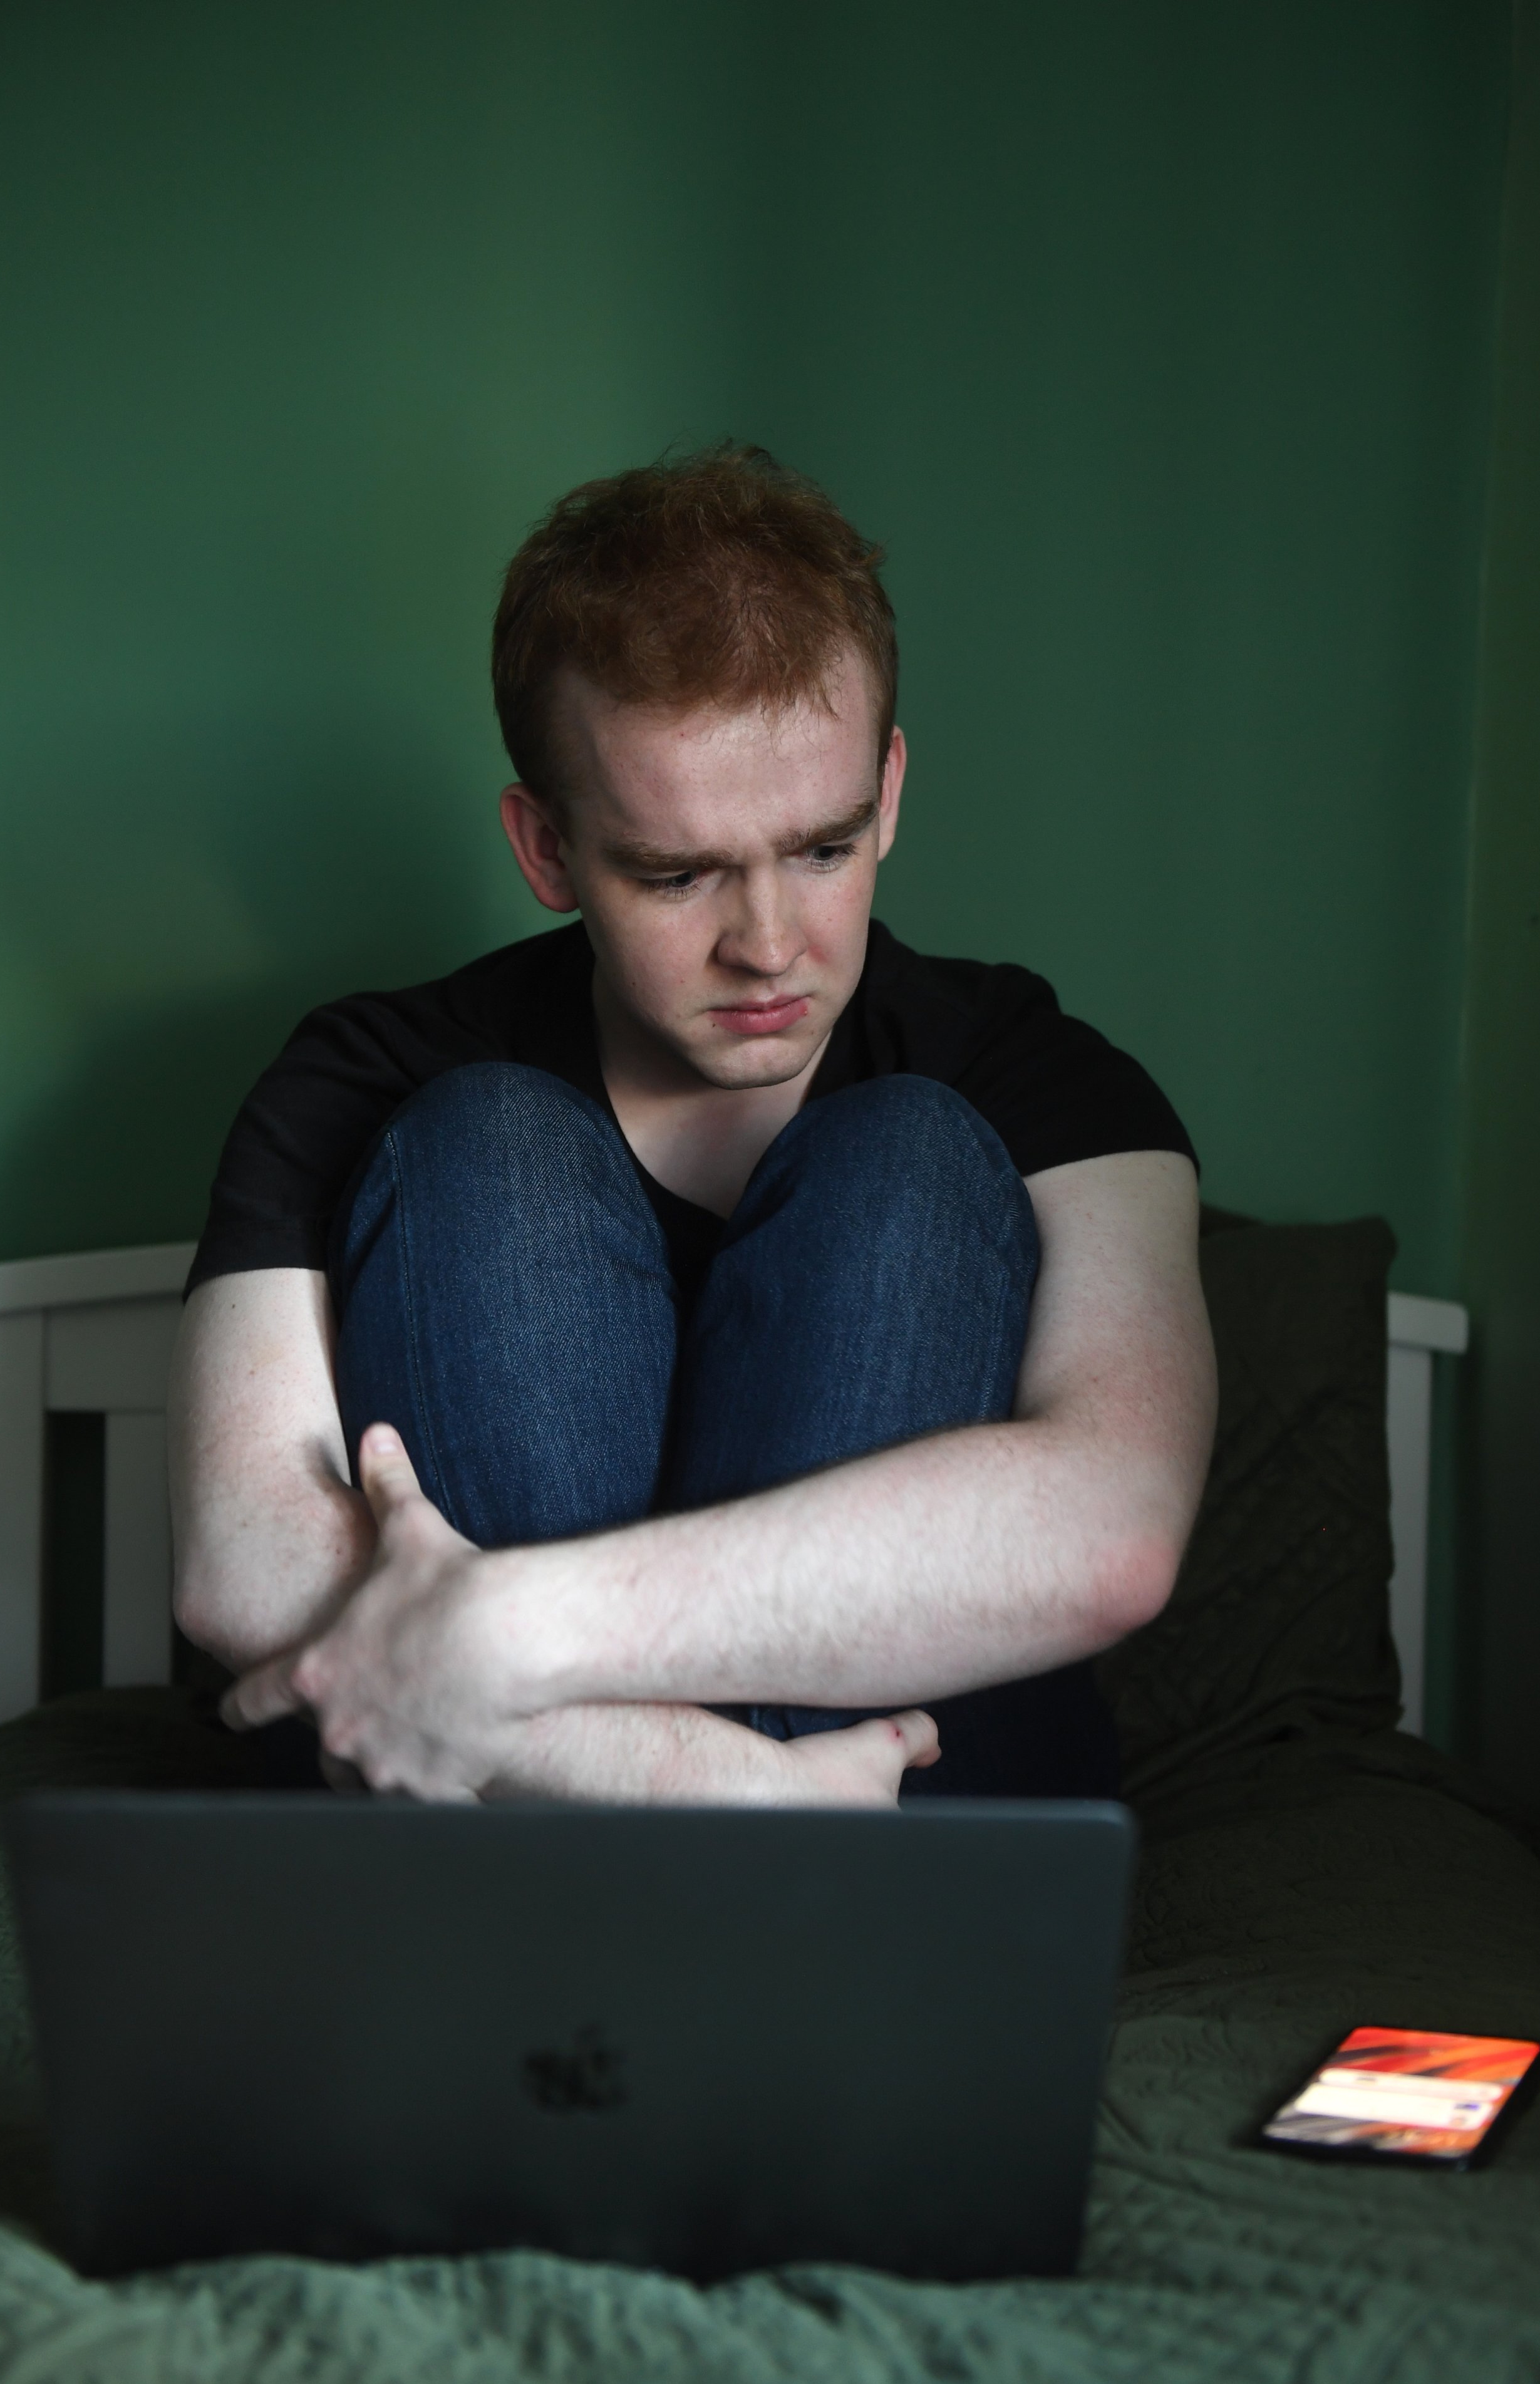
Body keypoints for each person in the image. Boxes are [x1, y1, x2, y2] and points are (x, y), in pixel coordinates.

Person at [169, 445, 1216, 1808]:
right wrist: (724, 1788)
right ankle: (700, 1906)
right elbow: (240, 1565)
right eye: (676, 872)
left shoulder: (1038, 1079)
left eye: (823, 847)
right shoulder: (362, 1074)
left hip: (903, 1842)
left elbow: (1111, 1530)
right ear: (545, 848)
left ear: (887, 789)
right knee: (485, 1143)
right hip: (568, 1848)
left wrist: (512, 1625)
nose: (769, 944)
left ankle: (732, 1940)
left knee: (911, 1157)